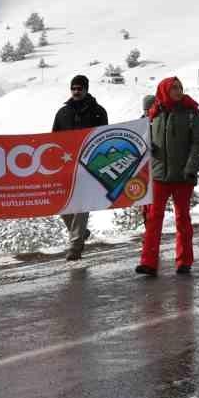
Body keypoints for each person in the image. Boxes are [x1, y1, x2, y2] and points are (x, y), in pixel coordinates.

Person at [137, 76, 199, 276]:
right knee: (153, 219)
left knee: (182, 218)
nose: (178, 91)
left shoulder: (191, 112)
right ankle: (148, 262)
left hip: (183, 176)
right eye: (174, 88)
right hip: (158, 176)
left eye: (180, 87)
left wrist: (191, 167)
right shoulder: (154, 113)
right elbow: (144, 140)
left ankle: (184, 261)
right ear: (164, 90)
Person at [52, 74, 109, 260]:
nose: (76, 91)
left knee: (81, 206)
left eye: (80, 88)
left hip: (89, 167)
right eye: (73, 88)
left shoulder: (98, 112)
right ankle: (81, 233)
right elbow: (53, 139)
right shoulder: (62, 113)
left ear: (86, 89)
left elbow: (104, 138)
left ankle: (75, 247)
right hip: (66, 166)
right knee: (61, 203)